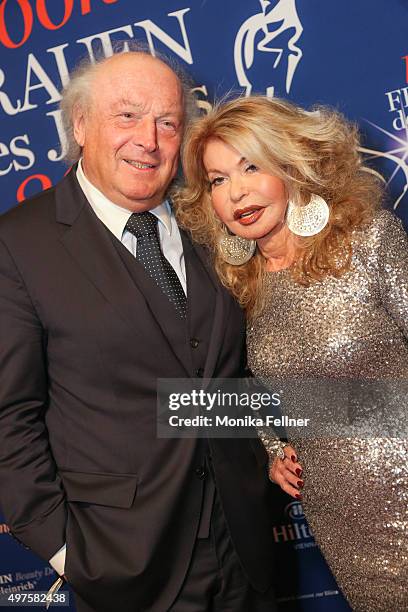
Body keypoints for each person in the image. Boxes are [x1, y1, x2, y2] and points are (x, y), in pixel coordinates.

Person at [0, 53, 278, 612]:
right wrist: (64, 550)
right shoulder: (18, 244)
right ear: (79, 125)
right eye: (126, 116)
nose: (148, 140)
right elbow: (9, 416)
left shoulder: (213, 219)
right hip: (126, 568)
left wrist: (374, 411)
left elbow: (224, 383)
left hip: (247, 550)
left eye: (167, 122)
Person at [174, 95, 408, 612]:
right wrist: (273, 446)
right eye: (217, 180)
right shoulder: (236, 287)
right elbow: (243, 382)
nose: (236, 192)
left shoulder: (367, 240)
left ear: (290, 164)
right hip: (338, 514)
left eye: (250, 166)